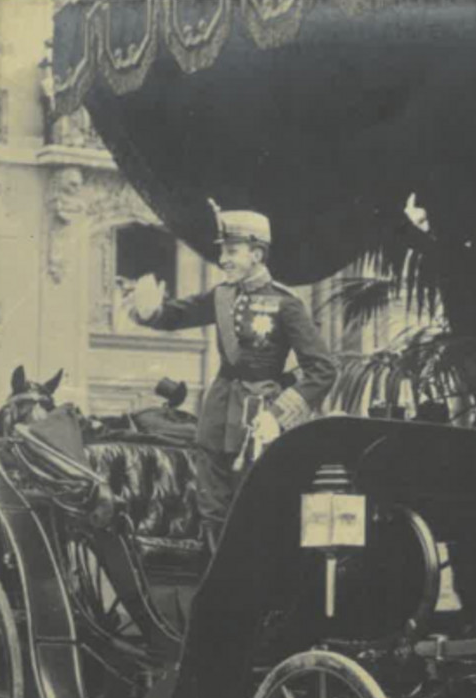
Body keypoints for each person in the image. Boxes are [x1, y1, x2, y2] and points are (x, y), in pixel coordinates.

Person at [127, 206, 336, 548]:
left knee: (253, 509)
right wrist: (149, 312)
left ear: (256, 254)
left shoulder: (285, 304)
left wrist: (277, 415)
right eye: (222, 251)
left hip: (258, 421)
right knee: (211, 508)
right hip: (218, 414)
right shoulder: (222, 296)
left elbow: (323, 368)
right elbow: (178, 314)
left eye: (231, 251)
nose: (223, 259)